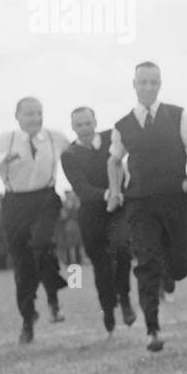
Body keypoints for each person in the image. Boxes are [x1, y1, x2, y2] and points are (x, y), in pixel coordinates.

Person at [106, 62, 187, 352]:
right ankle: (152, 328)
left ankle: (168, 269)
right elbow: (113, 160)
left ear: (160, 84)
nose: (149, 87)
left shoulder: (177, 115)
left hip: (175, 199)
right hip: (140, 202)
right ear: (134, 84)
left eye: (154, 82)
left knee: (179, 266)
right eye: (143, 82)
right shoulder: (123, 125)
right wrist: (115, 191)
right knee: (146, 262)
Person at [0, 98, 71, 342]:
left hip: (46, 199)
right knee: (23, 265)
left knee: (42, 245)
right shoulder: (4, 140)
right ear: (17, 115)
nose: (36, 119)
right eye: (29, 114)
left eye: (40, 113)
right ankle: (28, 319)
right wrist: (1, 160)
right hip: (16, 203)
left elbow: (76, 159)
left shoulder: (54, 137)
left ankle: (54, 301)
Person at [60, 106, 136, 334]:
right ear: (73, 127)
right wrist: (107, 194)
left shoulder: (111, 138)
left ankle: (124, 299)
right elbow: (81, 188)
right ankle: (108, 309)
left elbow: (122, 163)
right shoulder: (69, 155)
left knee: (122, 249)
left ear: (95, 122)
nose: (84, 128)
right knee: (102, 267)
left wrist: (118, 193)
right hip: (92, 215)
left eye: (87, 123)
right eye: (79, 125)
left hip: (118, 209)